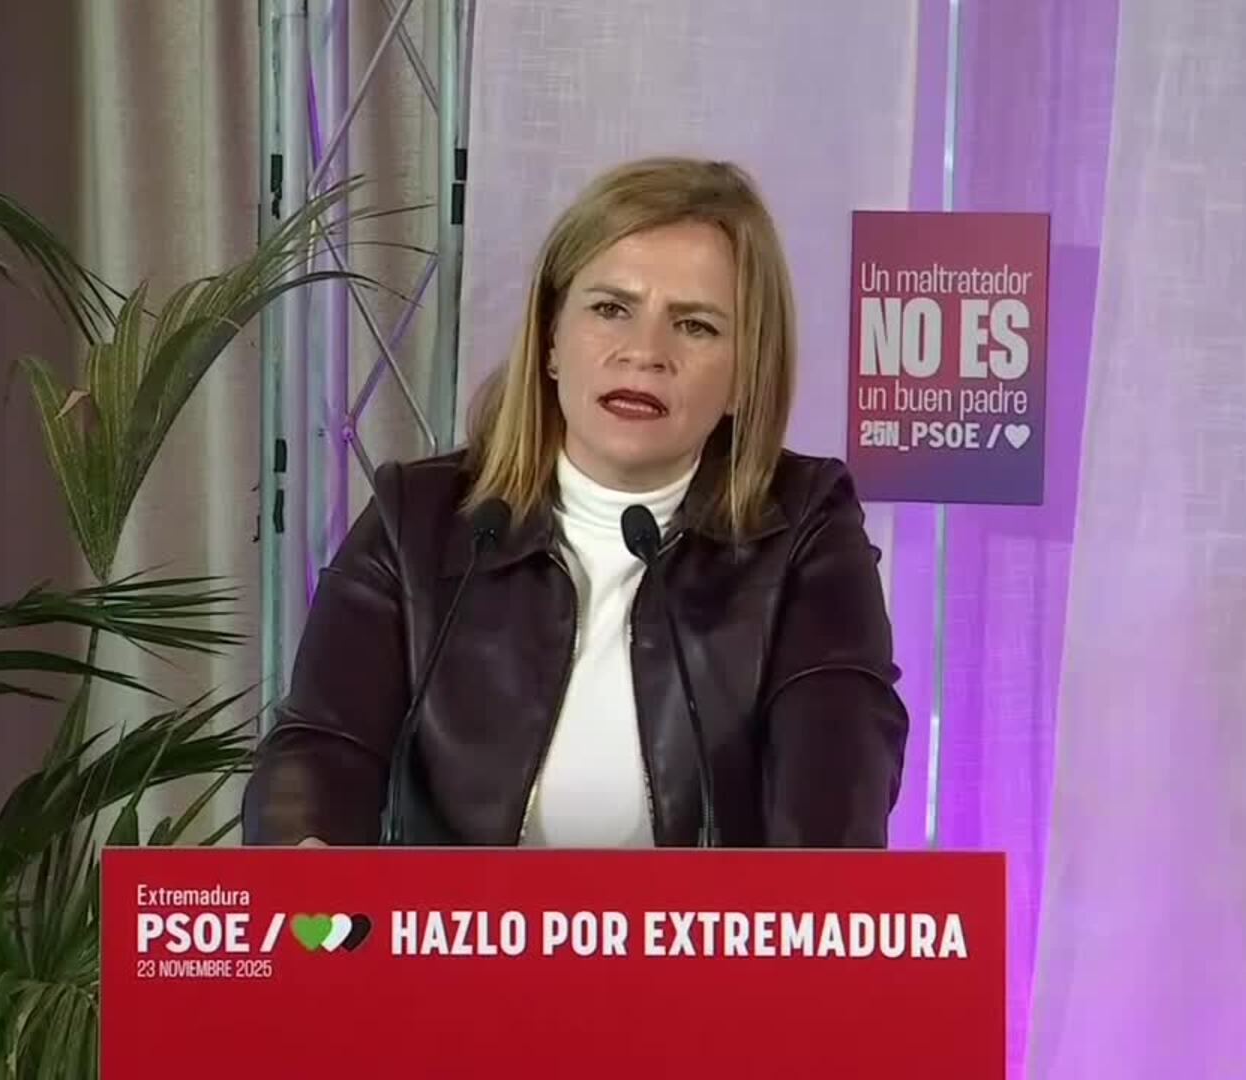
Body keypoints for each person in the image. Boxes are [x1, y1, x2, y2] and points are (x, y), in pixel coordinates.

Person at [241, 156, 909, 848]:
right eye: (611, 309)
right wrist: (304, 853)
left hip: (703, 925)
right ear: (551, 340)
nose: (644, 353)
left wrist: (813, 896)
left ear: (746, 375)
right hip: (455, 923)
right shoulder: (421, 517)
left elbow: (839, 757)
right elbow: (321, 746)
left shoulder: (801, 525)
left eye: (695, 325)